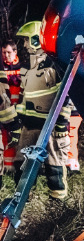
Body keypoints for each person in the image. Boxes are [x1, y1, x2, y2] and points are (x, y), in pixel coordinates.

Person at [3, 22, 72, 198]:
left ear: (36, 39)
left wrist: (62, 124)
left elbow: (66, 95)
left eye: (27, 40)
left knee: (54, 164)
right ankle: (22, 197)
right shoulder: (26, 68)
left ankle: (58, 200)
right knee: (22, 163)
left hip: (51, 125)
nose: (25, 45)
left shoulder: (55, 65)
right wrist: (19, 121)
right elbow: (26, 96)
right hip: (29, 125)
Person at [0, 40, 24, 174]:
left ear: (15, 52)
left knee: (16, 139)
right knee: (4, 139)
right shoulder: (1, 69)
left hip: (17, 109)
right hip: (5, 109)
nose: (6, 55)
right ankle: (7, 168)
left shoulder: (22, 68)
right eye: (3, 52)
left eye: (8, 52)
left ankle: (14, 167)